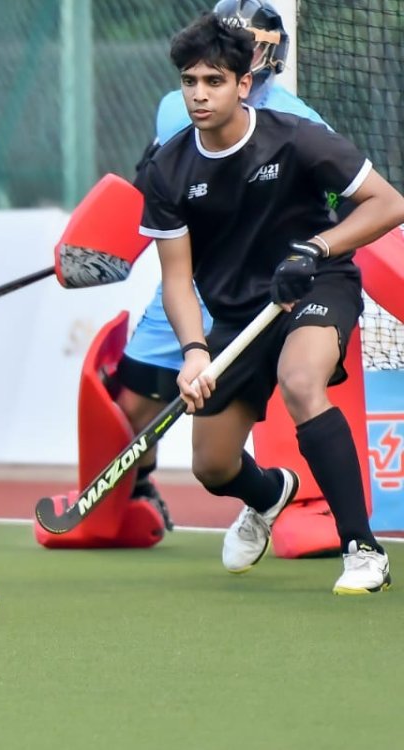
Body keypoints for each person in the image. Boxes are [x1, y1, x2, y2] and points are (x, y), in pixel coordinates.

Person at [138, 13, 404, 592]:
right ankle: (269, 494)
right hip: (239, 314)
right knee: (212, 465)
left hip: (315, 284)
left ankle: (362, 548)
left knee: (300, 381)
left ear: (243, 83)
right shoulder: (168, 171)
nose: (199, 94)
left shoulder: (295, 137)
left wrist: (316, 248)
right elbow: (177, 278)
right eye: (190, 81)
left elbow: (388, 203)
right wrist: (193, 351)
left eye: (214, 81)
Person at [117, 0, 321, 530]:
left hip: (260, 292)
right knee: (131, 405)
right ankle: (140, 493)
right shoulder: (176, 106)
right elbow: (153, 182)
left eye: (247, 49)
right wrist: (110, 248)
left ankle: (303, 501)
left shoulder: (299, 121)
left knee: (275, 401)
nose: (203, 88)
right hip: (191, 280)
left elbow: (339, 205)